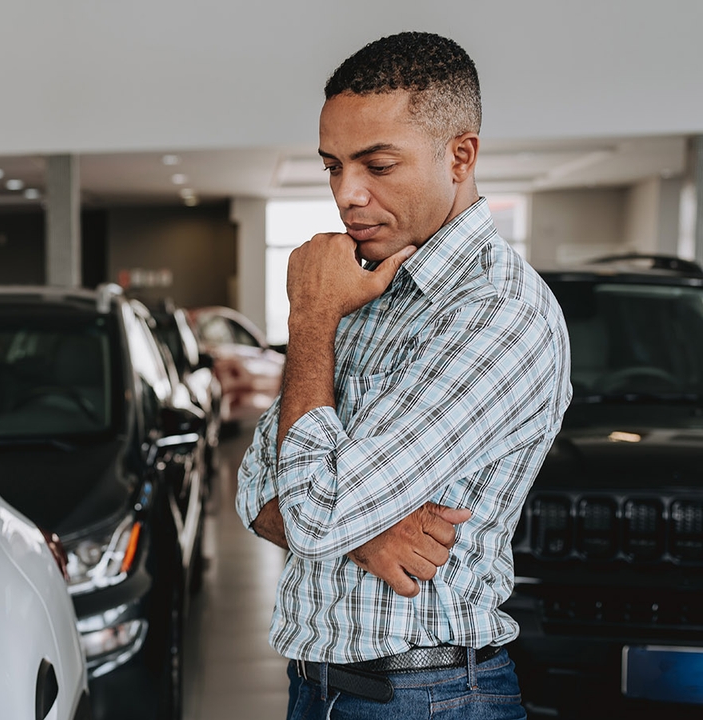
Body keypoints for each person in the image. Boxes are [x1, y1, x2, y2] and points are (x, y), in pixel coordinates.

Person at [235, 32, 571, 719]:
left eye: (377, 164)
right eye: (332, 165)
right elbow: (253, 487)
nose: (346, 194)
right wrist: (363, 530)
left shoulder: (496, 314)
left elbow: (311, 509)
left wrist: (310, 321)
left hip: (424, 697)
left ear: (461, 155)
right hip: (324, 687)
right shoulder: (372, 288)